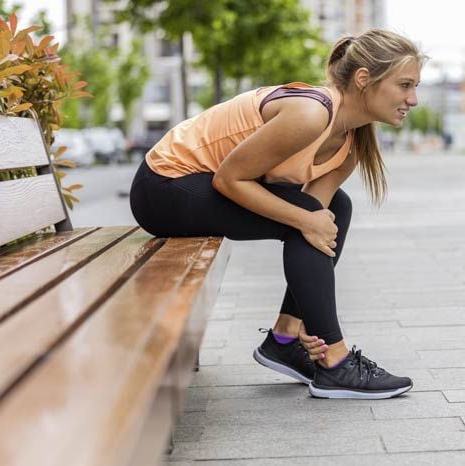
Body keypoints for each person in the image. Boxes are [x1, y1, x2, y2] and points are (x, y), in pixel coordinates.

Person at [129, 29, 426, 399]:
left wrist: (307, 221)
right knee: (308, 216)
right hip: (164, 186)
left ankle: (286, 337)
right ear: (364, 79)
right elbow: (230, 179)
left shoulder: (349, 148)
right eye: (405, 85)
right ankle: (334, 361)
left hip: (202, 185)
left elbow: (314, 222)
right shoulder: (310, 113)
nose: (413, 99)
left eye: (415, 87)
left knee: (334, 208)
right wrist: (305, 219)